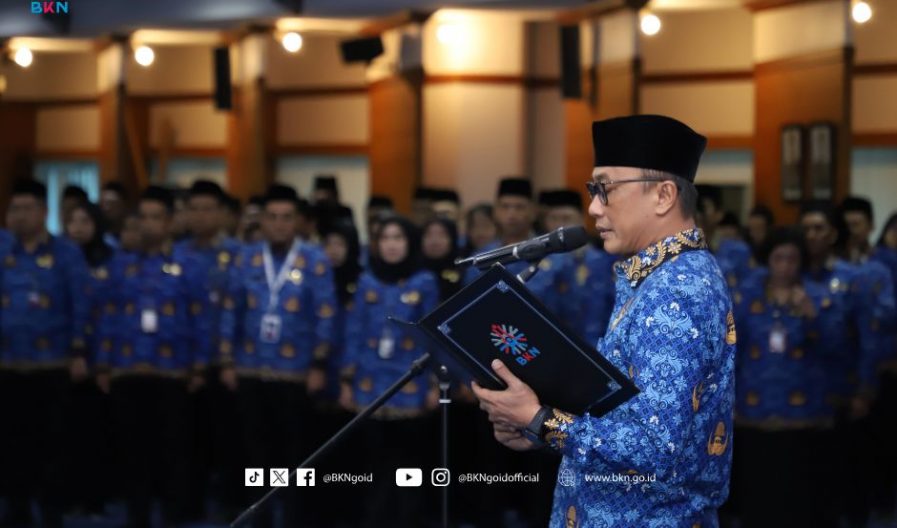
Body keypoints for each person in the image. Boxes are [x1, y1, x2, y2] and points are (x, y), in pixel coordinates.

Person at [471, 115, 735, 527]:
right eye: (593, 190)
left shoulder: (677, 290)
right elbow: (622, 417)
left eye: (605, 189)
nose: (593, 207)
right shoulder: (658, 276)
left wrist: (541, 420)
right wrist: (537, 425)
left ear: (663, 195)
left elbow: (654, 447)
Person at [218, 184, 337, 528]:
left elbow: (326, 314)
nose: (279, 224)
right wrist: (226, 360)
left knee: (296, 454)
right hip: (250, 367)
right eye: (272, 217)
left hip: (296, 371)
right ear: (262, 221)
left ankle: (296, 517)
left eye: (286, 217)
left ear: (298, 221)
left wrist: (319, 363)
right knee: (256, 452)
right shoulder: (246, 257)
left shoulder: (315, 259)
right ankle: (262, 518)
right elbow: (230, 310)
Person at [95, 186, 205, 528]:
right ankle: (137, 517)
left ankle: (173, 516)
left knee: (173, 451)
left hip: (173, 371)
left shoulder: (189, 264)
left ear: (170, 222)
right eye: (142, 217)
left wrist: (200, 365)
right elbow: (107, 315)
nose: (148, 224)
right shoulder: (121, 265)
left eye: (156, 217)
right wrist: (103, 362)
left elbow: (201, 317)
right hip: (127, 369)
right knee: (132, 452)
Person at [729, 227, 836, 528]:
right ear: (768, 259)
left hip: (803, 411)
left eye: (792, 259)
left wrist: (812, 316)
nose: (785, 266)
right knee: (759, 490)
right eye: (779, 258)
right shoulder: (747, 296)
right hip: (754, 408)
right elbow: (733, 349)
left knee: (798, 492)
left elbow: (834, 348)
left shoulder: (817, 296)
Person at [0, 179, 91, 528]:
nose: (19, 216)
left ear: (43, 212)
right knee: (10, 443)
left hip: (52, 363)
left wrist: (79, 350)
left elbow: (80, 303)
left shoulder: (66, 253)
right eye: (13, 209)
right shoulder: (2, 250)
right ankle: (16, 509)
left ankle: (52, 511)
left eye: (26, 208)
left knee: (52, 443)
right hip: (8, 363)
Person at [340, 215, 439, 528]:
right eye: (385, 238)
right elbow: (354, 331)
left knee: (409, 464)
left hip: (411, 382)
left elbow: (432, 336)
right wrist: (346, 380)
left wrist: (434, 383)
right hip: (369, 383)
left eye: (398, 238)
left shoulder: (424, 281)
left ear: (410, 243)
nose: (391, 245)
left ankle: (409, 520)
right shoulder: (366, 280)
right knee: (374, 462)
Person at [173, 180, 243, 520]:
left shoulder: (239, 254)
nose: (201, 216)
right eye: (194, 209)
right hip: (183, 363)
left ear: (222, 213)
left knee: (229, 438)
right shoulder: (176, 254)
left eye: (208, 209)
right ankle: (189, 505)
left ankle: (232, 505)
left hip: (225, 361)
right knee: (188, 439)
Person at [64, 200, 116, 517]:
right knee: (66, 431)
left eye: (85, 221)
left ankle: (97, 496)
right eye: (73, 221)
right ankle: (68, 494)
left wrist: (101, 359)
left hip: (101, 359)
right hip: (64, 358)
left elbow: (113, 312)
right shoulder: (59, 258)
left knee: (97, 431)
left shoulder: (111, 260)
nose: (78, 228)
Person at [421, 217, 463, 302]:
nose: (434, 241)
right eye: (429, 235)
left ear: (452, 239)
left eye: (442, 235)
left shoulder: (464, 268)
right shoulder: (411, 272)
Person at [100, 181, 129, 248]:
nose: (106, 208)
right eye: (103, 203)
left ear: (124, 205)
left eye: (112, 203)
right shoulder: (97, 235)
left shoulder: (134, 235)